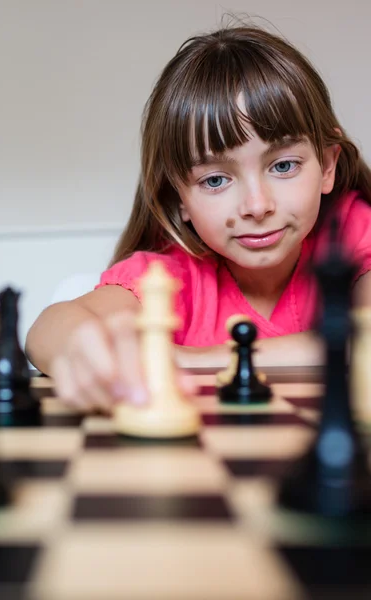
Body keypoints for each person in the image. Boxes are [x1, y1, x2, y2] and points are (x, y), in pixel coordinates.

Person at [26, 23, 371, 412]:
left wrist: (186, 359)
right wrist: (76, 347)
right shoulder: (174, 276)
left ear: (327, 166)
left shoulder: (352, 231)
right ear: (180, 199)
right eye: (216, 179)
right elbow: (49, 329)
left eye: (284, 165)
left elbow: (362, 339)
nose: (257, 206)